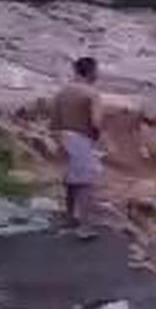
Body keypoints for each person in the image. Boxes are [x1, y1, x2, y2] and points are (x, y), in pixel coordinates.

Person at [50, 57, 104, 235]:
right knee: (85, 183)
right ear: (91, 72)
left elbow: (54, 122)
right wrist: (97, 139)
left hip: (63, 137)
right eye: (96, 71)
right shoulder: (91, 93)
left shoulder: (62, 92)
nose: (98, 74)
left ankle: (69, 217)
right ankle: (86, 227)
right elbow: (96, 122)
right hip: (82, 138)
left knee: (70, 181)